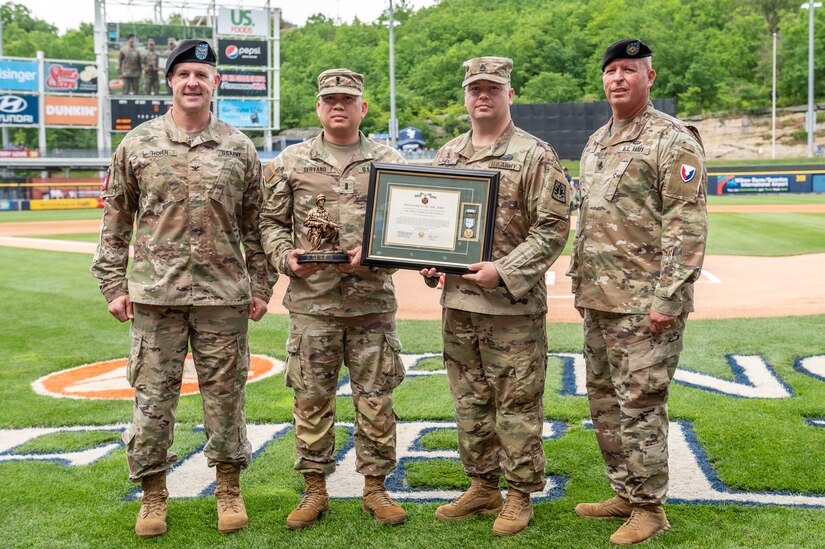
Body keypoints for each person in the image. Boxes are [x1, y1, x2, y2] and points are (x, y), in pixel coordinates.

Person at [91, 39, 275, 538]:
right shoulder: (138, 144)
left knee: (226, 399)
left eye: (202, 74)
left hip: (224, 298)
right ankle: (153, 495)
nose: (192, 82)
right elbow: (116, 220)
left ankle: (228, 487)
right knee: (152, 401)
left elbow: (256, 223)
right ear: (170, 82)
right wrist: (112, 284)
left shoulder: (238, 147)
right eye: (183, 74)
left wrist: (261, 285)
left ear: (216, 83)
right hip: (156, 297)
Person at [419, 57, 570, 537]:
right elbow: (433, 229)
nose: (482, 95)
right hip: (459, 305)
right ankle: (483, 485)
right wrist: (428, 261)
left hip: (512, 309)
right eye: (474, 88)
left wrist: (503, 270)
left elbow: (552, 228)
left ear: (509, 94)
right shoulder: (448, 156)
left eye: (492, 88)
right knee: (470, 402)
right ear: (465, 97)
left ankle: (520, 494)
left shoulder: (534, 154)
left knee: (517, 403)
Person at [567, 39, 708, 545]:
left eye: (629, 70)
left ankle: (650, 509)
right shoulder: (598, 140)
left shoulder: (672, 139)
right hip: (599, 301)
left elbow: (686, 225)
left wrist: (668, 299)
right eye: (611, 71)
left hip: (645, 305)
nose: (618, 79)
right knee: (604, 401)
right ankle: (626, 492)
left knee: (641, 405)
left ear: (651, 77)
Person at [259, 68, 408, 530]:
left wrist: (379, 254)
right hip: (313, 305)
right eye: (330, 99)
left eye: (347, 99)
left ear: (363, 107)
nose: (338, 106)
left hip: (371, 305)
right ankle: (314, 490)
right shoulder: (291, 161)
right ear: (318, 108)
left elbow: (407, 228)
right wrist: (287, 258)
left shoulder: (389, 160)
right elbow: (269, 222)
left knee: (376, 401)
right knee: (311, 400)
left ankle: (376, 489)